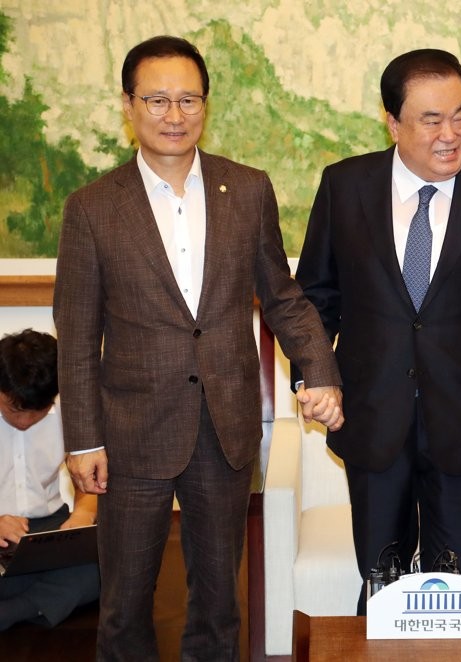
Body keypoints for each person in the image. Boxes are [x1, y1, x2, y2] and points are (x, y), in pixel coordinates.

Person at [53, 36, 342, 661]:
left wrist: (320, 369)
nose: (174, 114)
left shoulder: (248, 190)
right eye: (157, 100)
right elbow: (75, 336)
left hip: (224, 428)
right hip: (129, 435)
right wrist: (83, 440)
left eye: (188, 99)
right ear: (128, 105)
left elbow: (283, 296)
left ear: (205, 105)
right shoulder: (92, 208)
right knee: (124, 607)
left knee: (218, 607)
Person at [293, 48, 461, 613]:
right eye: (431, 120)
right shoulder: (345, 185)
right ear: (392, 122)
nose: (451, 135)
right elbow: (314, 298)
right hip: (372, 415)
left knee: (451, 585)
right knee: (379, 576)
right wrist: (314, 375)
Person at [0, 329, 99, 631]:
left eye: (39, 412)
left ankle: (13, 609)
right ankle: (41, 601)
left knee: (112, 562)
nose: (25, 421)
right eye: (15, 409)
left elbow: (89, 477)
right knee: (85, 577)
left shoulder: (74, 412)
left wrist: (82, 516)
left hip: (48, 528)